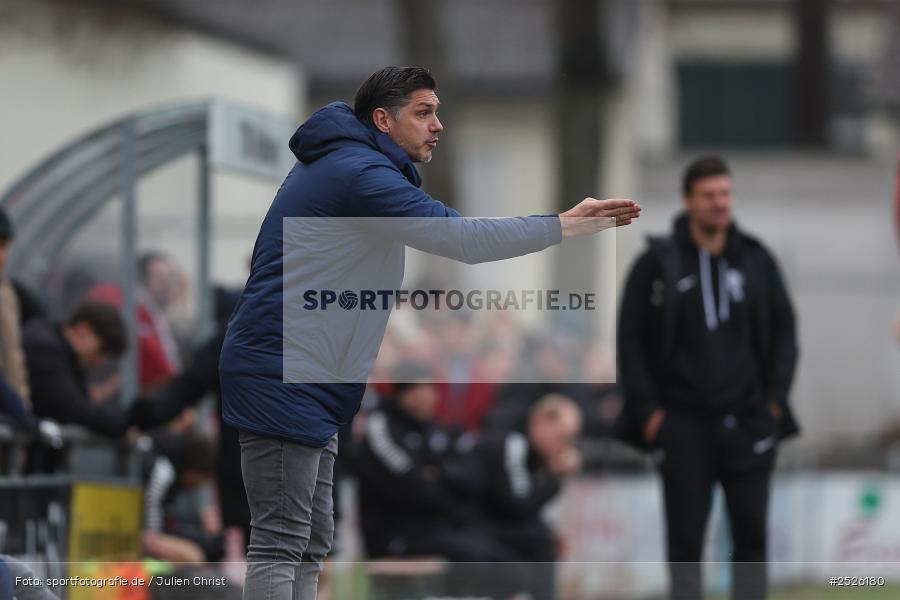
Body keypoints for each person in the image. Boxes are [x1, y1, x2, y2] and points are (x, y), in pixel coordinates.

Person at [220, 65, 640, 600]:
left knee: (310, 541)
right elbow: (463, 240)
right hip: (282, 372)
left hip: (308, 375)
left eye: (437, 112)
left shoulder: (351, 166)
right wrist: (564, 224)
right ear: (382, 120)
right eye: (423, 113)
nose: (438, 124)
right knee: (284, 540)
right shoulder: (358, 174)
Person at [617, 156, 799, 600]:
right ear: (688, 201)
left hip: (749, 421)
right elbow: (629, 342)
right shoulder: (656, 264)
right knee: (684, 546)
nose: (720, 203)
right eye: (709, 195)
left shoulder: (756, 259)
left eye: (725, 193)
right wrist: (650, 413)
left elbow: (785, 334)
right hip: (681, 424)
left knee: (751, 541)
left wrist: (775, 402)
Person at [447, 393, 583, 599]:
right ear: (542, 423)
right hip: (464, 527)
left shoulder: (528, 449)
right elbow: (518, 504)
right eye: (562, 437)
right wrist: (554, 478)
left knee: (542, 539)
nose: (565, 447)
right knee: (537, 546)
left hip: (484, 527)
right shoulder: (512, 441)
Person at [23, 298, 130, 437]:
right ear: (83, 330)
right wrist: (126, 421)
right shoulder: (44, 349)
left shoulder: (66, 357)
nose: (100, 362)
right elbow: (72, 409)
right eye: (101, 351)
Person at [0, 208, 30, 410]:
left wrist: (23, 408)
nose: (1, 255)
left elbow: (14, 360)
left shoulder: (7, 293)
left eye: (3, 246)